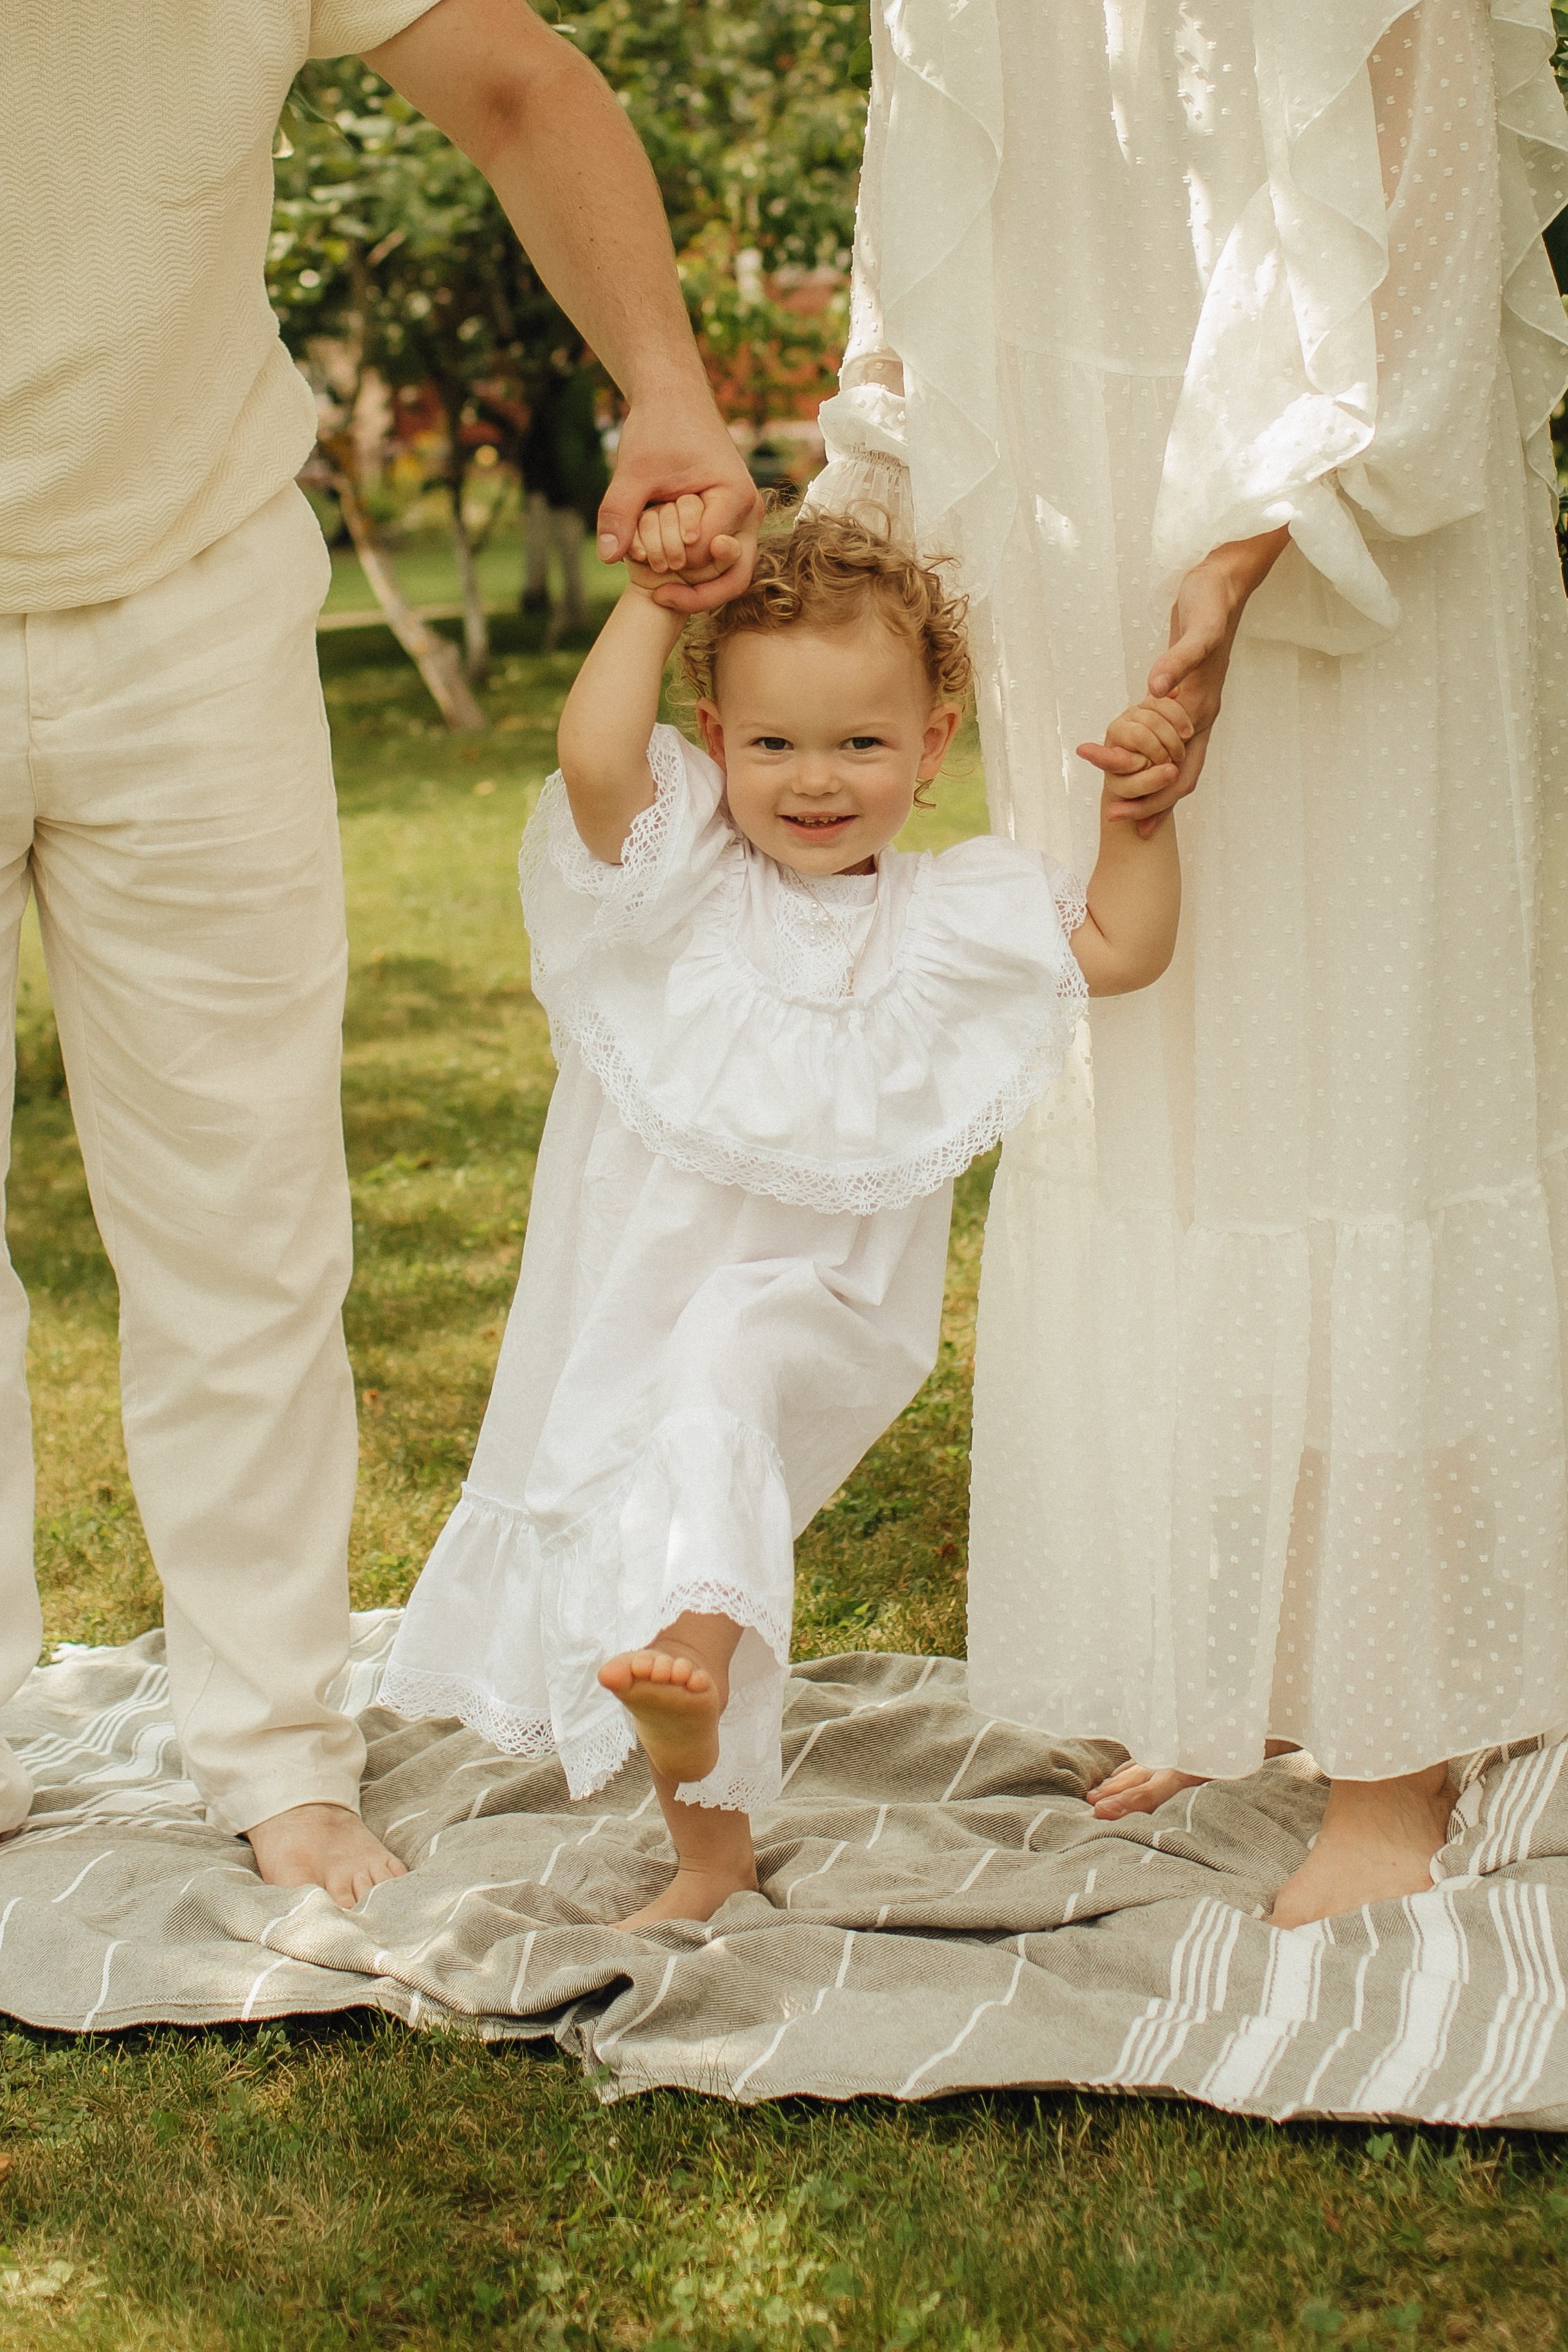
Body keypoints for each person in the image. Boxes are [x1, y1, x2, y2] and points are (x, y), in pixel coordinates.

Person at [810, 1, 1568, 1923]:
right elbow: (917, 222)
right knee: (1161, 1094)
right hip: (1073, 523)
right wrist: (848, 515)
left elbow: (1415, 251)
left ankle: (1394, 1748)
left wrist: (1231, 567)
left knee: (1367, 1096)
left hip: (1344, 552)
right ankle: (1234, 1667)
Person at [0, 0, 759, 1907]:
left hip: (187, 599)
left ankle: (278, 1749)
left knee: (245, 1212)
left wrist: (664, 381)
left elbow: (519, 86)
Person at [379, 508, 1182, 1925]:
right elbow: (596, 762)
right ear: (715, 737)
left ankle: (690, 1662)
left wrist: (1138, 822)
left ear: (932, 746)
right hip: (651, 1284)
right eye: (773, 744)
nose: (815, 779)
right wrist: (654, 598)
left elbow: (1122, 947)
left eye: (861, 743)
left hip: (824, 1302)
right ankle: (709, 1852)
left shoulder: (949, 916)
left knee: (720, 1395)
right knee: (669, 1496)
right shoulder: (683, 881)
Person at [519, 347, 610, 649]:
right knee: (546, 556)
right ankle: (544, 602)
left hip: (561, 499)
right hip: (549, 498)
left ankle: (571, 613)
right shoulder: (550, 423)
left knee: (565, 559)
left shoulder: (564, 422)